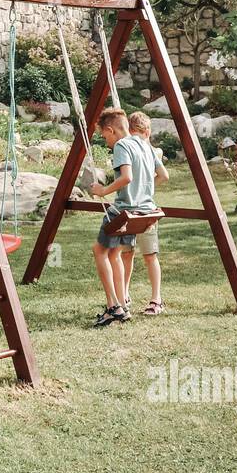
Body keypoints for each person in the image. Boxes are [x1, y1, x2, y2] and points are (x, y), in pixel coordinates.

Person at [85, 108, 136, 327]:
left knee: (99, 251)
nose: (106, 142)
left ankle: (113, 306)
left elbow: (126, 177)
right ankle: (122, 304)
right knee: (114, 253)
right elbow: (161, 175)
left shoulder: (122, 146)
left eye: (105, 137)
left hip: (122, 211)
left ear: (111, 130)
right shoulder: (140, 144)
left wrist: (102, 191)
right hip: (140, 211)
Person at [123, 111, 169, 315]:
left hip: (128, 209)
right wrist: (149, 188)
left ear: (129, 130)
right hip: (147, 210)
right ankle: (156, 299)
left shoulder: (126, 146)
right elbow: (164, 175)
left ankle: (124, 295)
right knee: (150, 256)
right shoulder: (149, 149)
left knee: (126, 254)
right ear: (147, 131)